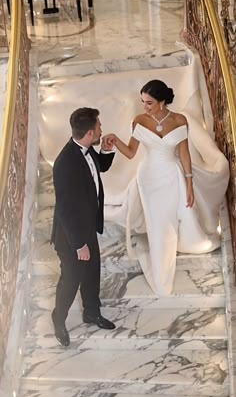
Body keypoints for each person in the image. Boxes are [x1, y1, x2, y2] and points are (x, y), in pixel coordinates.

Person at [102, 79, 229, 296]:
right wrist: (116, 141)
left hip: (171, 175)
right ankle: (161, 276)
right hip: (148, 178)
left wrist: (189, 184)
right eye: (143, 102)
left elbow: (185, 154)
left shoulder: (180, 120)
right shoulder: (139, 121)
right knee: (156, 222)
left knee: (171, 219)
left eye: (149, 103)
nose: (144, 107)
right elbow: (132, 153)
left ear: (162, 102)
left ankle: (165, 266)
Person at [51, 107, 116, 347]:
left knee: (92, 272)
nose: (102, 129)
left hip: (87, 226)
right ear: (90, 132)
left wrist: (106, 150)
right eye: (99, 126)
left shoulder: (87, 151)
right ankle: (59, 318)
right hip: (71, 234)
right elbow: (65, 210)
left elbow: (100, 167)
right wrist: (79, 244)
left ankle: (91, 312)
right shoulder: (65, 163)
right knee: (71, 279)